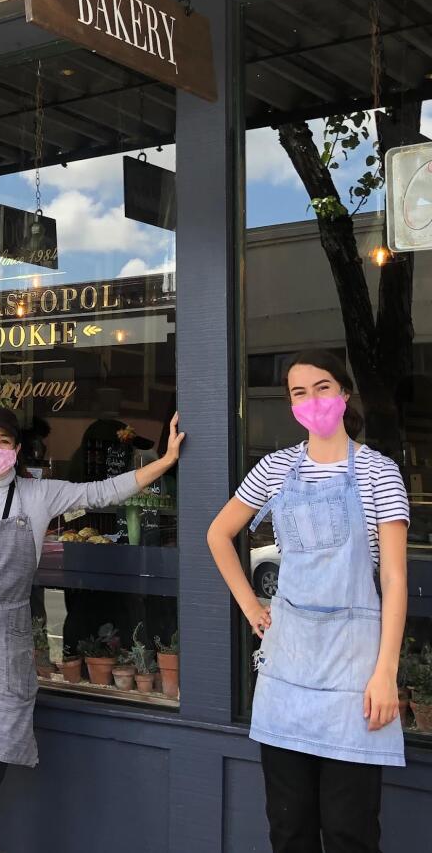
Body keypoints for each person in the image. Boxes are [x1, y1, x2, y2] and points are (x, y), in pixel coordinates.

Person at [0, 405, 183, 853]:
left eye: (3, 442)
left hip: (6, 638)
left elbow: (102, 492)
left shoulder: (39, 495)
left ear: (17, 449)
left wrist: (165, 461)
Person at [207, 350, 408, 853]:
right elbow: (218, 534)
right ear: (291, 405)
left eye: (322, 388)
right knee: (289, 829)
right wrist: (252, 607)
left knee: (349, 833)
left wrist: (386, 672)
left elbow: (395, 579)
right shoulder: (275, 467)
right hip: (287, 671)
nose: (312, 400)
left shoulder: (379, 472)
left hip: (355, 676)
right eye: (299, 392)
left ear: (343, 393)